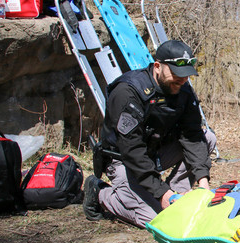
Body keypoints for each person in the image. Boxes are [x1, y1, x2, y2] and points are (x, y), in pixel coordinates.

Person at [83, 40, 215, 228]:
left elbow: (192, 134)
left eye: (186, 75)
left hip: (155, 153)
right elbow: (132, 150)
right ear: (157, 66)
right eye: (177, 74)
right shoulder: (129, 91)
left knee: (208, 138)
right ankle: (101, 193)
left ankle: (176, 196)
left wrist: (203, 181)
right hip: (123, 159)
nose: (183, 80)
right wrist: (161, 192)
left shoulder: (183, 88)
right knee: (155, 221)